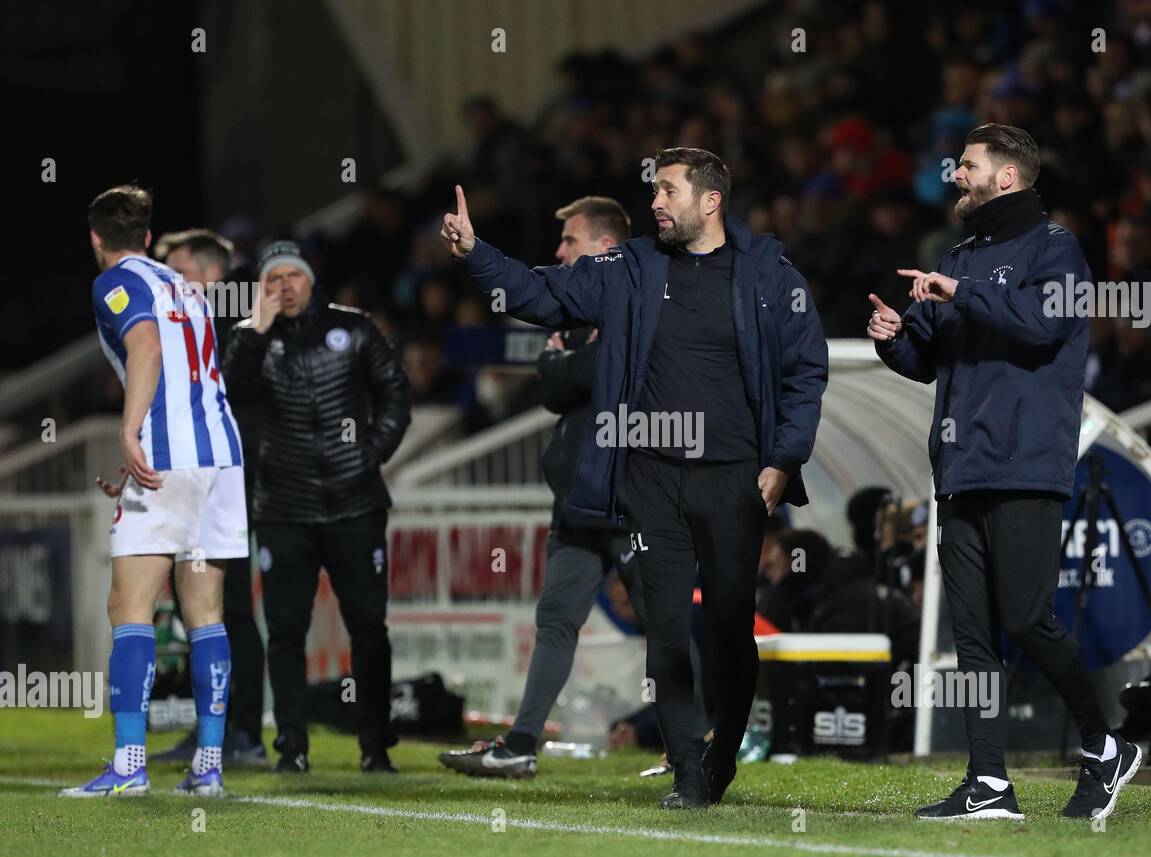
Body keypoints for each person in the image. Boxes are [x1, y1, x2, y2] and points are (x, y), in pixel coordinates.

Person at [442, 147, 827, 808]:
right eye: (653, 191)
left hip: (736, 479)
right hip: (650, 477)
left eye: (668, 191)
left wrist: (782, 459)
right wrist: (478, 250)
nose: (654, 203)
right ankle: (688, 773)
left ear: (709, 201)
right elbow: (541, 293)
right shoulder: (629, 267)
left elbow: (805, 372)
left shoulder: (767, 272)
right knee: (669, 631)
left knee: (732, 632)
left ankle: (722, 753)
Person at [868, 124, 1140, 821]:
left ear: (1007, 178)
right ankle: (988, 782)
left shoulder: (1055, 248)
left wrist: (960, 293)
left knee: (1028, 618)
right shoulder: (960, 256)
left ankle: (1106, 745)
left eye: (967, 165)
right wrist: (896, 341)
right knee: (972, 637)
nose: (954, 174)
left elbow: (1043, 325)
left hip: (1024, 464)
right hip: (960, 467)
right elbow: (929, 361)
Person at [439, 197, 654, 779]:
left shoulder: (637, 303)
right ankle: (522, 743)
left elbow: (587, 373)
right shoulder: (577, 316)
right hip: (577, 501)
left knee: (667, 625)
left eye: (570, 241)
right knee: (556, 619)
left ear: (605, 247)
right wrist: (566, 366)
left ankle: (695, 740)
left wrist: (568, 364)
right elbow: (554, 388)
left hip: (630, 496)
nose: (560, 252)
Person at [62, 185, 246, 798]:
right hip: (219, 456)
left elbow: (144, 345)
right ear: (145, 235)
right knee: (206, 612)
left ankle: (129, 765)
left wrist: (131, 432)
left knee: (128, 606)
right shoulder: (183, 285)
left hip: (167, 457)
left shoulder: (116, 283)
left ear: (95, 238)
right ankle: (209, 768)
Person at [222, 241, 411, 773]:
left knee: (369, 628)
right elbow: (230, 394)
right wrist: (253, 331)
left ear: (310, 280)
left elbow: (395, 393)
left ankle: (376, 745)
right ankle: (292, 746)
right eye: (273, 278)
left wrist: (370, 454)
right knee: (284, 631)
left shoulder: (353, 328)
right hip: (283, 506)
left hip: (355, 504)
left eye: (293, 275)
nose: (284, 285)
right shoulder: (250, 339)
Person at [148, 229, 268, 766]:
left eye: (178, 269)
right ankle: (212, 727)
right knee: (201, 606)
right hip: (197, 476)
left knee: (233, 608)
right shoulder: (190, 325)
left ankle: (244, 732)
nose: (170, 281)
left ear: (209, 273)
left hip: (234, 480)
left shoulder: (238, 320)